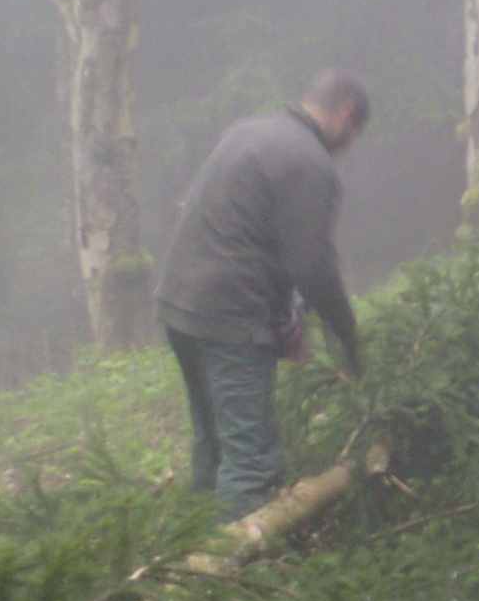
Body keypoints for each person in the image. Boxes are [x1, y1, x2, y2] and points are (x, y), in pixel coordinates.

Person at [154, 70, 369, 522]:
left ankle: (190, 552)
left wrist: (287, 316)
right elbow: (312, 265)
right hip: (229, 316)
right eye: (352, 136)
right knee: (250, 462)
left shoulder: (249, 132)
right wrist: (349, 341)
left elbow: (259, 236)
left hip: (180, 303)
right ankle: (234, 572)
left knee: (213, 443)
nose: (347, 148)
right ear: (346, 114)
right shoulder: (310, 161)